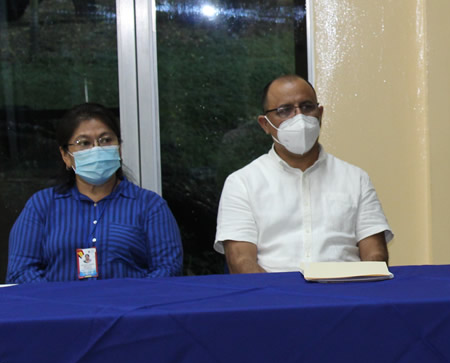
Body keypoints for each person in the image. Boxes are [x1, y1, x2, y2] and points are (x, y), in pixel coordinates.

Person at [215, 74, 392, 273]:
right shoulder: (242, 183)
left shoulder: (356, 178)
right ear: (265, 124)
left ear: (320, 114)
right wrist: (283, 298)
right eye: (285, 110)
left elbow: (375, 254)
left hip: (345, 294)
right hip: (275, 297)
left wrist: (357, 289)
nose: (299, 117)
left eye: (307, 107)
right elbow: (240, 261)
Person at [6, 103, 183, 283]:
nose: (96, 149)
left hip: (128, 308)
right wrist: (59, 301)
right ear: (65, 155)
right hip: (62, 309)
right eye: (84, 143)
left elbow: (168, 269)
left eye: (106, 140)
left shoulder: (149, 205)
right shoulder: (42, 205)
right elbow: (21, 271)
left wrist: (132, 301)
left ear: (119, 148)